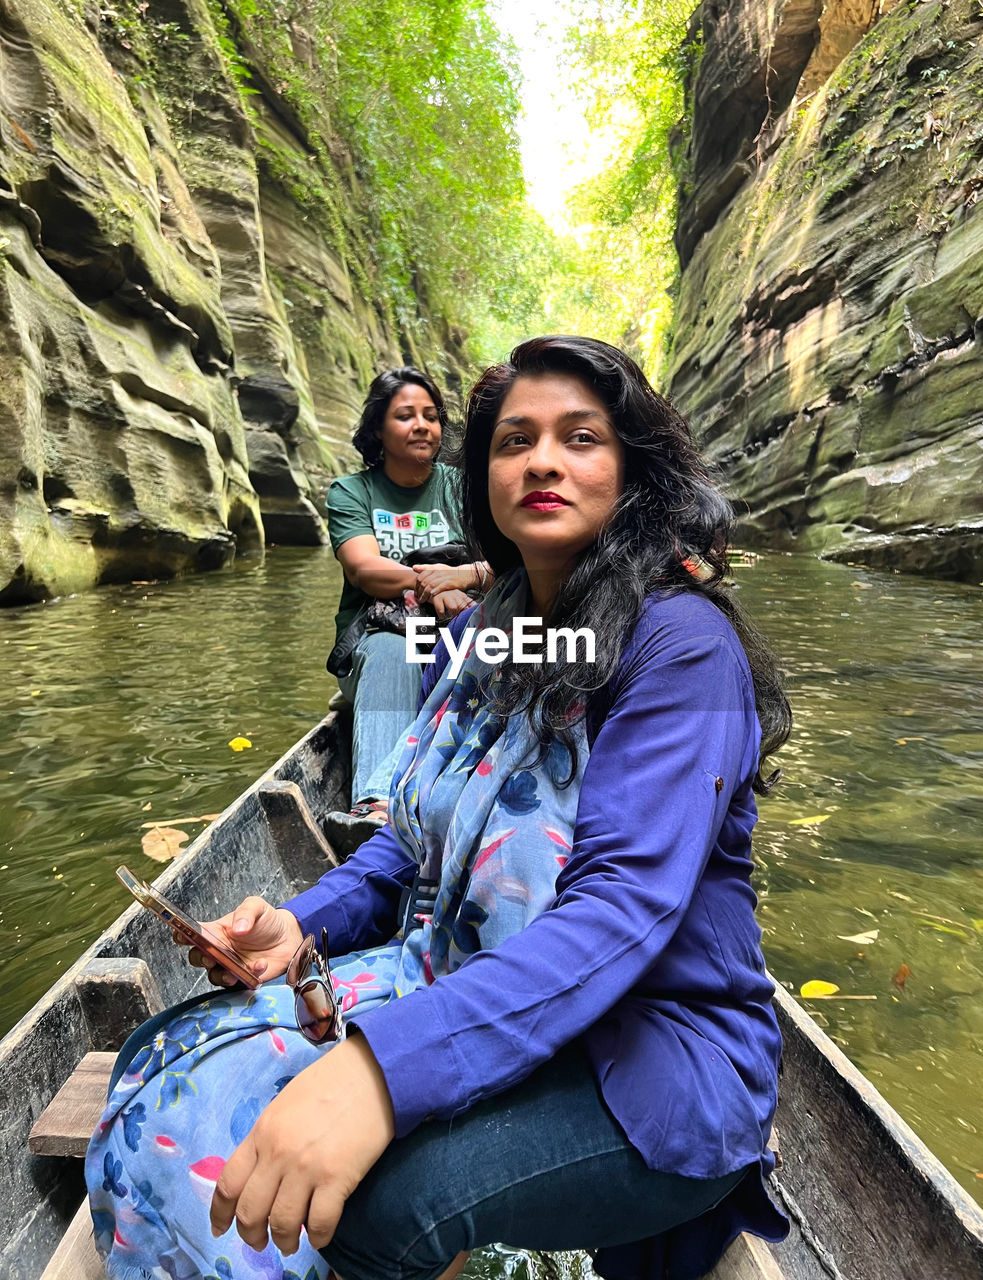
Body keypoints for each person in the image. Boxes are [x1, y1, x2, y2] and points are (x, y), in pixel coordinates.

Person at [87, 336, 792, 1280]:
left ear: (633, 471)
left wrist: (379, 1075)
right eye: (514, 441)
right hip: (457, 975)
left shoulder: (681, 646)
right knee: (172, 1071)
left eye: (580, 437)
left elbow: (620, 912)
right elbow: (414, 845)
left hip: (647, 1058)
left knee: (372, 1205)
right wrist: (298, 922)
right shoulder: (490, 633)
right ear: (483, 479)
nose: (541, 460)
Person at [325, 366, 490, 819]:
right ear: (378, 429)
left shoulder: (465, 489)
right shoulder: (352, 492)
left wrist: (466, 577)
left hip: (460, 629)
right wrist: (433, 581)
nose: (422, 425)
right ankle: (378, 804)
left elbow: (513, 563)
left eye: (431, 415)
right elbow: (364, 569)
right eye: (405, 416)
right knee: (393, 653)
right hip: (383, 635)